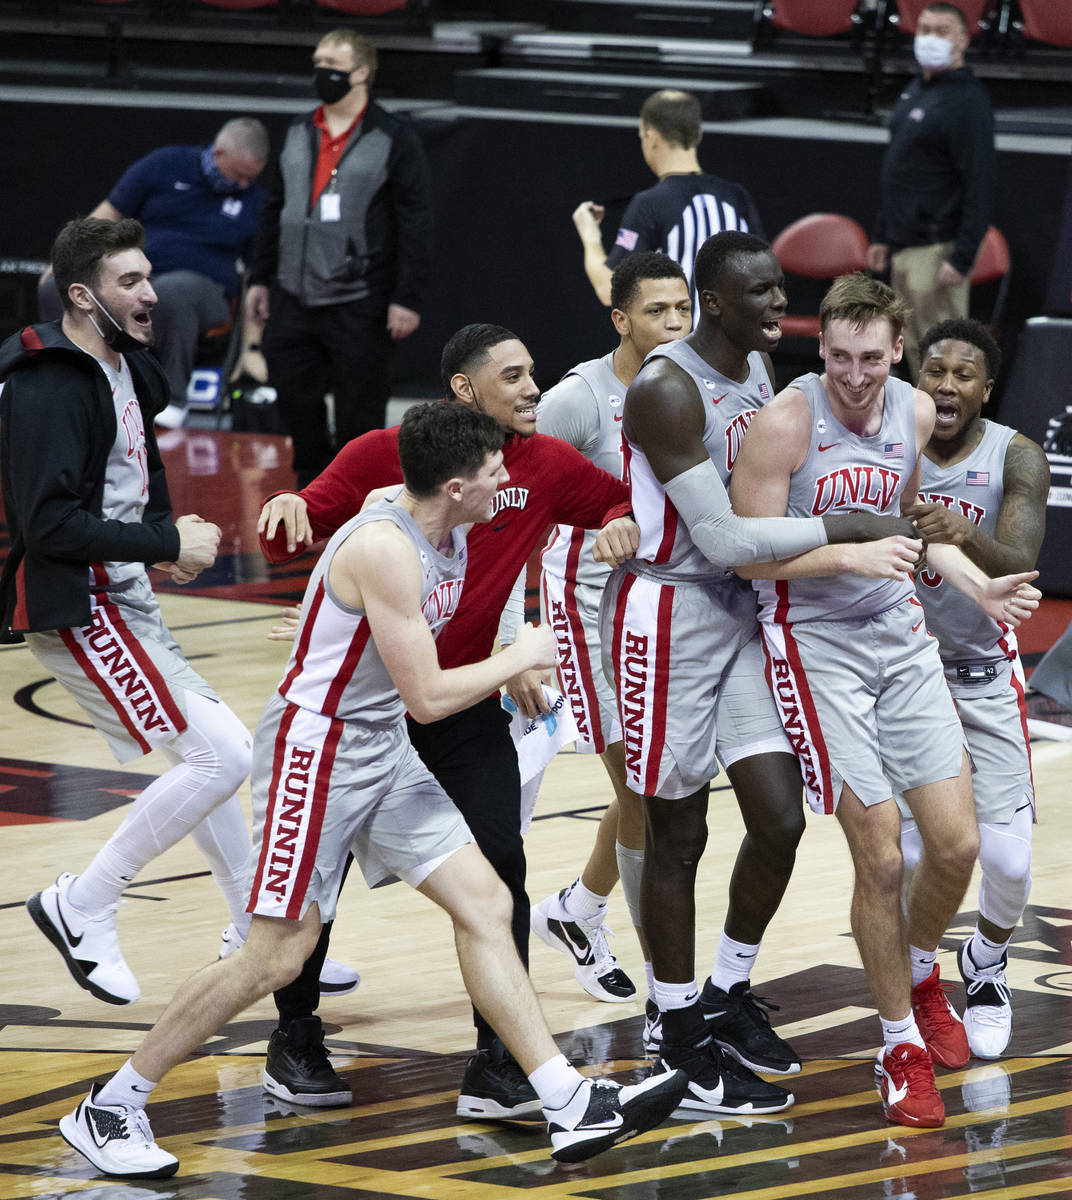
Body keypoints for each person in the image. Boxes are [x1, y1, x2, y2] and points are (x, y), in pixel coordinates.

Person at [55, 401, 688, 1179]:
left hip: (381, 744)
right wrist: (521, 655)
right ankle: (112, 1104)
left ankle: (565, 1099)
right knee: (275, 955)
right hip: (317, 752)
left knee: (486, 902)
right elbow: (428, 697)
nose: (507, 484)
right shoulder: (387, 545)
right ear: (454, 487)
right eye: (494, 474)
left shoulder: (443, 519)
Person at [254, 324, 638, 1117]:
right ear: (465, 389)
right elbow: (306, 520)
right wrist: (288, 505)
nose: (534, 389)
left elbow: (619, 500)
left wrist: (621, 522)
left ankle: (499, 1062)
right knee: (318, 882)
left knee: (500, 864)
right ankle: (295, 1035)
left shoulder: (545, 463)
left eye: (532, 372)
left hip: (458, 702)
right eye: (514, 376)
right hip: (369, 710)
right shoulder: (386, 453)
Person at [599, 232, 929, 1116]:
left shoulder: (755, 370)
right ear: (714, 302)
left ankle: (724, 991)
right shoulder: (667, 390)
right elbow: (720, 539)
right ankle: (677, 1040)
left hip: (742, 611)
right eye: (761, 293)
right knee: (677, 831)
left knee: (779, 817)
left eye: (780, 288)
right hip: (670, 611)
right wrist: (849, 529)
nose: (780, 304)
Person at [728, 274, 1040, 1128]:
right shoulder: (786, 422)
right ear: (821, 349)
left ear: (897, 351)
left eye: (870, 358)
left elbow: (907, 526)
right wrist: (845, 555)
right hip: (813, 642)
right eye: (839, 358)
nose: (855, 376)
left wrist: (976, 586)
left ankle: (921, 968)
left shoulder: (911, 411)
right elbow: (743, 553)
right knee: (882, 857)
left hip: (899, 635)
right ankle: (898, 1045)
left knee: (959, 844)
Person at [1, 217, 250, 1008]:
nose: (152, 295)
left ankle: (257, 931)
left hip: (125, 595)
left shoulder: (129, 367)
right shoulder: (50, 383)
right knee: (223, 756)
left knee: (208, 759)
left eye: (149, 276)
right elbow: (48, 526)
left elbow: (144, 473)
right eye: (131, 282)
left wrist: (167, 540)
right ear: (83, 297)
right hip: (76, 603)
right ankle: (84, 902)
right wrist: (163, 540)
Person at [524, 251, 692, 1006]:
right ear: (621, 320)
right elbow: (508, 506)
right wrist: (513, 632)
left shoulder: (702, 384)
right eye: (657, 311)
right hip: (588, 604)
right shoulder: (577, 400)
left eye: (683, 308)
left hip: (668, 604)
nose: (675, 324)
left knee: (652, 789)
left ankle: (578, 909)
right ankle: (667, 989)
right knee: (644, 793)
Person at [899, 318, 1048, 1059]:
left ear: (987, 389)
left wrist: (961, 532)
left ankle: (986, 959)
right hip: (900, 676)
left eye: (964, 374)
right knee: (908, 858)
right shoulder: (886, 443)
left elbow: (1019, 560)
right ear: (915, 377)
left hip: (982, 673)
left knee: (1010, 864)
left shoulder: (1016, 454)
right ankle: (914, 984)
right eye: (935, 371)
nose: (947, 385)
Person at [245, 28, 432, 488]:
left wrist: (406, 297)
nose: (321, 72)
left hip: (360, 295)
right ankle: (312, 482)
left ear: (362, 72)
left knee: (359, 409)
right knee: (292, 391)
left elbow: (414, 221)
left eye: (332, 64)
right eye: (318, 63)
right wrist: (260, 277)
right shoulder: (296, 131)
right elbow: (274, 208)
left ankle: (356, 491)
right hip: (292, 291)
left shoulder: (393, 137)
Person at [38, 118, 269, 429]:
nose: (244, 185)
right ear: (219, 154)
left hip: (207, 290)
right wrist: (67, 259)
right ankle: (65, 380)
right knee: (60, 285)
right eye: (239, 176)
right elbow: (110, 212)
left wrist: (252, 346)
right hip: (138, 274)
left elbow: (256, 277)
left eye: (251, 179)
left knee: (173, 292)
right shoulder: (166, 163)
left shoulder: (255, 201)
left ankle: (172, 400)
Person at [866, 2, 996, 375]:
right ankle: (921, 417)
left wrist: (962, 257)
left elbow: (981, 184)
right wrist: (882, 235)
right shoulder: (915, 90)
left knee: (945, 360)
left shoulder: (968, 102)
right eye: (924, 29)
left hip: (938, 250)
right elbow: (899, 172)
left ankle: (951, 419)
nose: (930, 38)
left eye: (942, 31)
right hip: (903, 246)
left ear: (963, 40)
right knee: (913, 354)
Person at [572, 89, 764, 322]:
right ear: (698, 135)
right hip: (739, 341)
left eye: (642, 137)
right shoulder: (737, 197)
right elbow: (763, 277)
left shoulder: (650, 204)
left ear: (651, 136)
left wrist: (590, 236)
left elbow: (608, 289)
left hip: (680, 342)